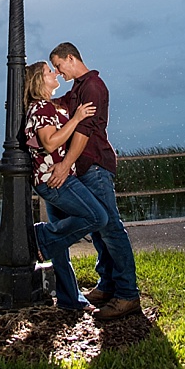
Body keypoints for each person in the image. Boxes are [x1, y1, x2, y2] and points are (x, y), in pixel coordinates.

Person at [47, 41, 141, 320]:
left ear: (70, 58)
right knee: (99, 229)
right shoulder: (77, 88)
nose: (58, 71)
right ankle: (107, 285)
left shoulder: (93, 87)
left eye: (59, 65)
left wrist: (65, 165)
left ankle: (127, 295)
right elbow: (60, 106)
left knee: (110, 227)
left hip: (95, 166)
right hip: (85, 168)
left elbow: (84, 132)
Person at [23, 61, 109, 313]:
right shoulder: (41, 107)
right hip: (56, 180)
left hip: (53, 178)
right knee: (97, 216)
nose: (56, 73)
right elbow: (50, 143)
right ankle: (41, 237)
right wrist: (78, 118)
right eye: (50, 72)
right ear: (40, 81)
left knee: (61, 247)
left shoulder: (47, 106)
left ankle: (70, 300)